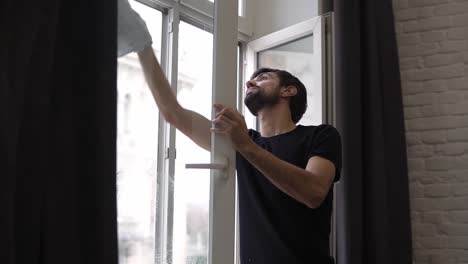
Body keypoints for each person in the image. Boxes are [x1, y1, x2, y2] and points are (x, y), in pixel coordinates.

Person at [119, 1, 341, 263]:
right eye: (251, 78)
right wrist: (142, 45)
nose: (250, 81)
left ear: (288, 91)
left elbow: (314, 192)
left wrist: (246, 146)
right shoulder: (243, 142)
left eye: (263, 77)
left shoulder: (321, 136)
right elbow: (173, 113)